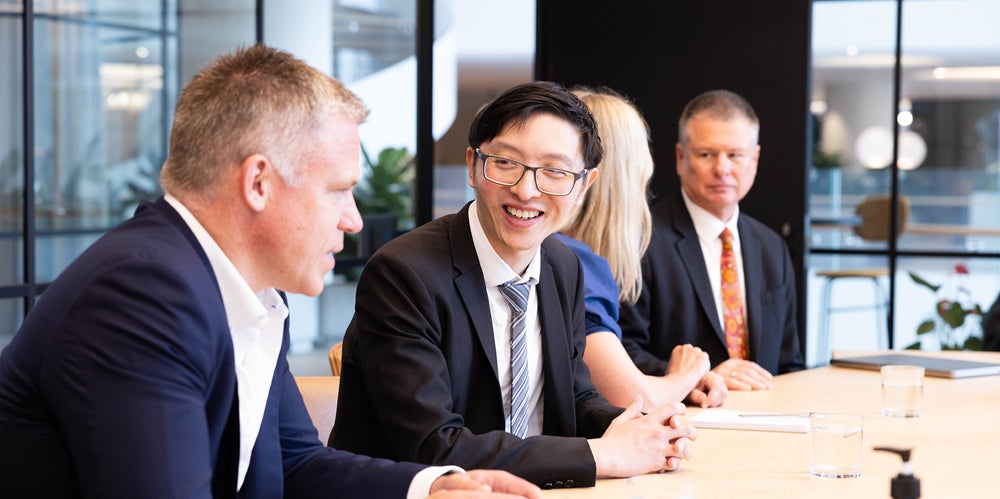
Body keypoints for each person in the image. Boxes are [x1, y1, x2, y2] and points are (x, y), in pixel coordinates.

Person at [0, 44, 542, 499]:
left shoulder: (245, 292)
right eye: (338, 190)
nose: (354, 220)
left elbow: (296, 461)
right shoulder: (142, 294)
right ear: (258, 182)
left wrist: (432, 488)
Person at [330, 81, 696, 489]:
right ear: (473, 165)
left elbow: (575, 401)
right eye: (505, 163)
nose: (526, 190)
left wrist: (645, 431)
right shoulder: (404, 274)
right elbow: (435, 447)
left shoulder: (562, 267)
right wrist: (603, 454)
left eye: (555, 171)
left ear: (583, 185)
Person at [619, 89, 805, 392]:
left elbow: (789, 363)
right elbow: (622, 351)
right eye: (707, 154)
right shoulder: (640, 240)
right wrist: (699, 378)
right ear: (681, 158)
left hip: (767, 423)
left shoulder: (771, 247)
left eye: (735, 155)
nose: (723, 169)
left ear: (754, 159)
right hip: (680, 423)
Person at [555, 87, 727, 411]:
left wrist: (675, 383)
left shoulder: (549, 253)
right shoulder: (577, 264)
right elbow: (637, 398)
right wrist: (689, 373)